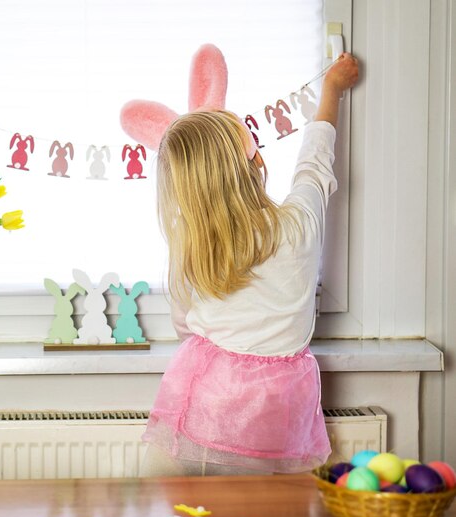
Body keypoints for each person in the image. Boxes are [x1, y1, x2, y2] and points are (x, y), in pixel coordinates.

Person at [140, 53, 360, 477]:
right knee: (260, 511)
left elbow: (184, 325)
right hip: (275, 410)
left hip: (204, 398)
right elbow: (314, 162)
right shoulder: (298, 226)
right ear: (256, 160)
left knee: (175, 506)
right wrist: (331, 88)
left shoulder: (194, 245)